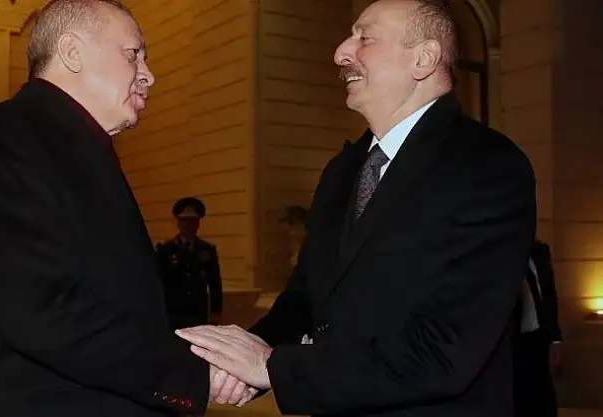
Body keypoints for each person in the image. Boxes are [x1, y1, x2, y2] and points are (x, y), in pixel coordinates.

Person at [175, 1, 538, 416]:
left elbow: (443, 351)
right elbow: (305, 300)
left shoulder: (487, 166)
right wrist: (243, 356)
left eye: (364, 38)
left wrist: (271, 366)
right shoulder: (343, 170)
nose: (341, 53)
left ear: (423, 58)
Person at [0, 1, 244, 415]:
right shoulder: (2, 137)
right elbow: (44, 309)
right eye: (133, 54)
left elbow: (115, 299)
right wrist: (192, 374)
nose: (149, 75)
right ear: (72, 53)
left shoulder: (79, 148)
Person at [157, 197, 223, 330]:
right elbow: (158, 282)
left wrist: (215, 312)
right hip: (173, 312)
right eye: (184, 220)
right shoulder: (166, 250)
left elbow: (215, 283)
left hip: (198, 312)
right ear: (178, 223)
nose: (188, 224)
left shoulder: (207, 250)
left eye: (192, 221)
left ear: (198, 224)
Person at [513, 238, 562, 417]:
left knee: (544, 402)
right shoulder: (498, 251)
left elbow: (549, 295)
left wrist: (555, 339)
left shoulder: (539, 250)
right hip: (512, 343)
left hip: (538, 338)